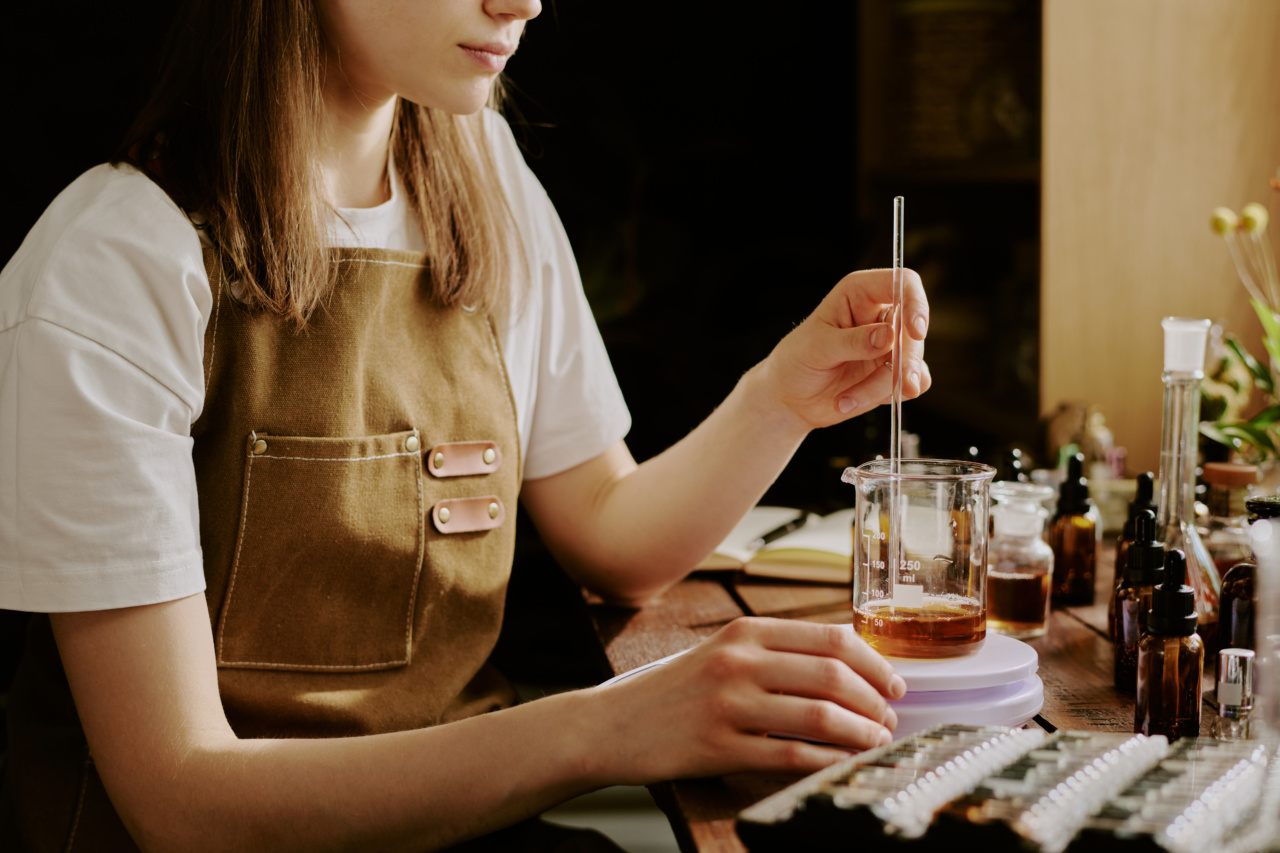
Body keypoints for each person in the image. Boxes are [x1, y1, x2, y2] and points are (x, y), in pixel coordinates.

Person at [0, 0, 932, 850]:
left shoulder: (481, 176)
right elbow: (183, 801)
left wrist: (782, 397)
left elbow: (614, 534)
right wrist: (605, 725)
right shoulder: (112, 266)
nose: (521, 2)